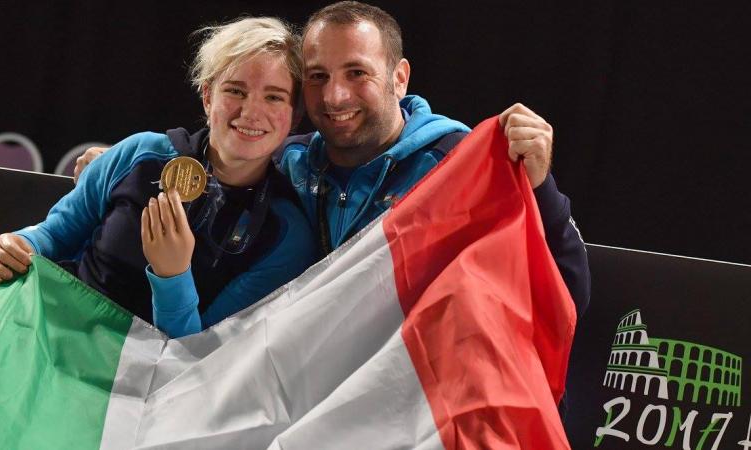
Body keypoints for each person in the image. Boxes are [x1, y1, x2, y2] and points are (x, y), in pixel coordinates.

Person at [74, 2, 590, 316]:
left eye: (357, 73)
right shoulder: (295, 159)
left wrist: (540, 191)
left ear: (400, 77)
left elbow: (566, 293)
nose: (336, 96)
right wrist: (115, 167)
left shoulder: (457, 165)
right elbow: (220, 147)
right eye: (318, 77)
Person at [0, 17, 318, 374]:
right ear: (208, 96)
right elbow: (56, 232)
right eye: (235, 90)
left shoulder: (285, 234)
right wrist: (18, 243)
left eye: (274, 97)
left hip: (128, 374)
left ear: (294, 115)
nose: (251, 111)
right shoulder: (141, 153)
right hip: (45, 315)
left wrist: (172, 276)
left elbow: (198, 360)